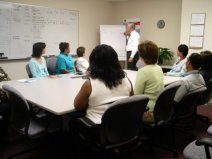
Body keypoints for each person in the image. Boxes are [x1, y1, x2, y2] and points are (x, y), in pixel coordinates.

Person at [74, 44, 133, 124]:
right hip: (123, 126)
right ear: (115, 61)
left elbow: (78, 106)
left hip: (98, 129)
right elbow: (132, 101)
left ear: (94, 64)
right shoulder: (127, 81)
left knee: (72, 122)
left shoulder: (89, 84)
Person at [134, 41, 164, 122]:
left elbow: (137, 96)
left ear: (142, 56)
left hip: (148, 112)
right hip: (159, 109)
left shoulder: (142, 71)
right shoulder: (159, 68)